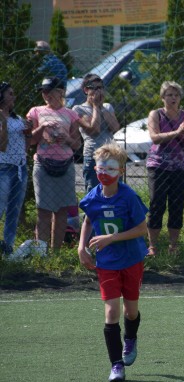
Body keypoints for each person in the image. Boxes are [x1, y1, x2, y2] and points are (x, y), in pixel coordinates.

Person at [77, 142, 149, 382]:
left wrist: (111, 238)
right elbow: (89, 220)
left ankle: (131, 338)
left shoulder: (129, 197)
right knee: (111, 311)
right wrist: (81, 247)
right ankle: (116, 365)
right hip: (106, 262)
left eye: (110, 168)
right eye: (101, 168)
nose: (104, 172)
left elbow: (142, 229)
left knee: (131, 311)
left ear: (121, 171)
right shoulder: (92, 197)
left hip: (131, 259)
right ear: (94, 168)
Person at [26, 77, 82, 251]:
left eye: (49, 91)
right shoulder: (35, 111)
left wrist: (67, 138)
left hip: (65, 164)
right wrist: (42, 127)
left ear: (61, 92)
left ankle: (55, 252)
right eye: (44, 92)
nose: (46, 95)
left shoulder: (71, 114)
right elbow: (30, 141)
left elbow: (77, 144)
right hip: (42, 164)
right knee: (43, 210)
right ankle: (41, 251)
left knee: (62, 210)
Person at [145, 81, 184, 256]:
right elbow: (155, 137)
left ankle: (173, 246)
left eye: (176, 95)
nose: (173, 98)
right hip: (158, 166)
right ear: (162, 97)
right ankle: (152, 246)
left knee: (176, 206)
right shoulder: (156, 114)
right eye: (169, 95)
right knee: (156, 204)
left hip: (180, 168)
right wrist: (176, 132)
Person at [74, 74, 120, 191]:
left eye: (100, 88)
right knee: (94, 190)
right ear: (86, 90)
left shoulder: (107, 107)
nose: (98, 91)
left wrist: (101, 107)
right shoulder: (79, 109)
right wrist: (95, 106)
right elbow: (94, 130)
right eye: (95, 88)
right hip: (93, 155)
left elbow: (115, 127)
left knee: (114, 190)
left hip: (111, 155)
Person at [0, 81, 30, 255]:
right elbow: (2, 146)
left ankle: (8, 248)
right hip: (3, 168)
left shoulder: (16, 118)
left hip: (20, 168)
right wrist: (3, 123)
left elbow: (26, 145)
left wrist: (29, 132)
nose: (14, 97)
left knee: (14, 209)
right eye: (10, 94)